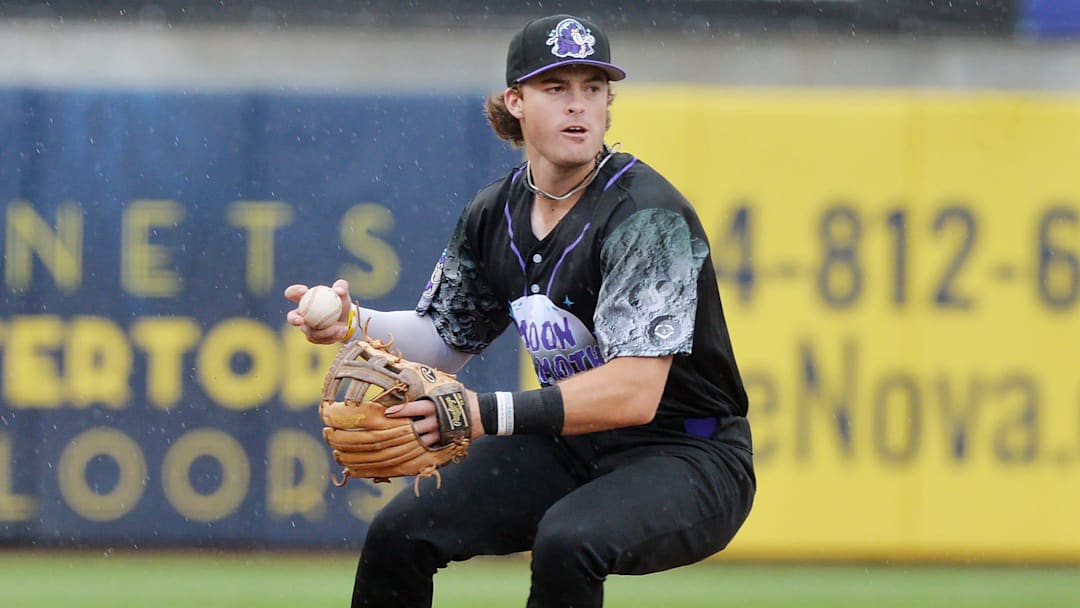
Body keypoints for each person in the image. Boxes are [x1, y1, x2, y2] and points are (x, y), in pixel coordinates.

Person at [285, 13, 755, 608]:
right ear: (516, 101)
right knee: (399, 534)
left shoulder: (645, 217)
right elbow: (442, 337)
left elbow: (634, 392)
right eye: (557, 88)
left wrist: (484, 413)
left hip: (691, 453)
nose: (578, 106)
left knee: (568, 542)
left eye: (594, 89)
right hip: (573, 445)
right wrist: (353, 323)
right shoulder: (495, 215)